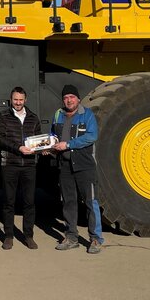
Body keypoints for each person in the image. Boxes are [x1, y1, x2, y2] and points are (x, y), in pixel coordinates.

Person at [50, 84, 104, 254]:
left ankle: (95, 239)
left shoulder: (86, 115)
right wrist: (48, 146)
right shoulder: (58, 114)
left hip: (84, 166)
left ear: (78, 99)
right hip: (64, 166)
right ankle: (71, 237)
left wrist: (69, 144)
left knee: (90, 202)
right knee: (68, 202)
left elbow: (92, 136)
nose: (69, 100)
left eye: (72, 97)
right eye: (66, 97)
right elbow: (53, 135)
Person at [0, 86, 42, 250]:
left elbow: (38, 140)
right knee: (9, 202)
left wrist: (44, 148)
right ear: (11, 99)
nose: (18, 103)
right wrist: (18, 148)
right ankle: (8, 236)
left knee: (29, 202)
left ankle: (28, 236)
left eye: (21, 100)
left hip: (29, 165)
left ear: (25, 100)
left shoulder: (33, 118)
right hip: (10, 165)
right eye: (15, 100)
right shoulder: (3, 116)